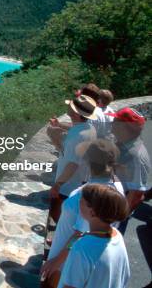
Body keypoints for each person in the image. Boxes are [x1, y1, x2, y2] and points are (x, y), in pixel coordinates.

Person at [41, 139, 124, 287]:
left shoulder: (89, 194)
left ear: (88, 161)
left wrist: (56, 261)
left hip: (67, 261)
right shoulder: (116, 185)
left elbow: (80, 233)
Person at [57, 183, 131, 288]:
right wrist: (69, 247)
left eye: (81, 201)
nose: (78, 202)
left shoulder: (81, 249)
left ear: (92, 212)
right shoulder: (117, 235)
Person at [49, 95, 97, 222]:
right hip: (78, 182)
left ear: (76, 113)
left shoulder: (78, 137)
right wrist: (59, 125)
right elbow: (73, 128)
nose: (68, 106)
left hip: (68, 187)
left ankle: (60, 241)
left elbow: (72, 164)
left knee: (59, 217)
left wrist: (58, 185)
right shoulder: (88, 128)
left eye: (71, 106)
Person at [108, 107, 150, 222]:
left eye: (115, 122)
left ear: (124, 128)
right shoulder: (122, 142)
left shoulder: (136, 157)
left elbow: (137, 194)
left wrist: (118, 217)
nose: (111, 124)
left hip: (114, 210)